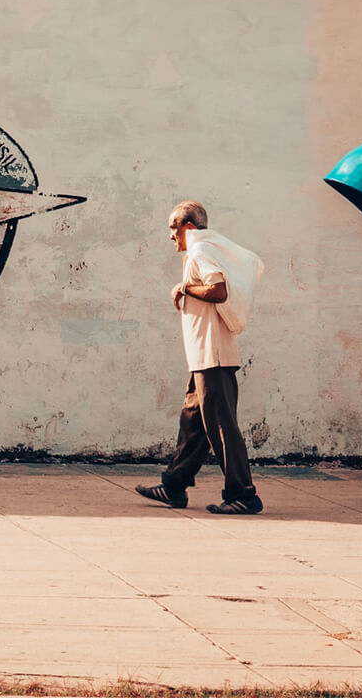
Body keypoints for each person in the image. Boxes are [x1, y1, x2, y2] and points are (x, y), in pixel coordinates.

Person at [137, 201, 266, 515]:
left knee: (221, 427)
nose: (171, 236)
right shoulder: (206, 249)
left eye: (174, 228)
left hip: (213, 356)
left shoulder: (199, 252)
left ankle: (243, 494)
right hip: (203, 357)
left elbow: (218, 290)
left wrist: (184, 288)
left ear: (189, 227)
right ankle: (174, 486)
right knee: (193, 425)